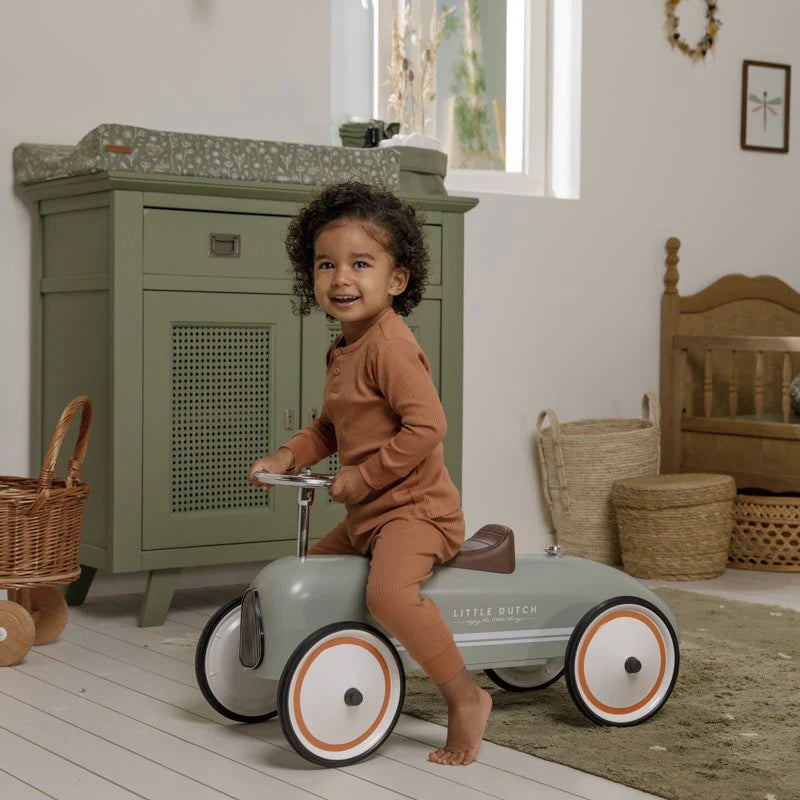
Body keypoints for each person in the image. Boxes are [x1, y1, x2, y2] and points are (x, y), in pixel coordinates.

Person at [248, 181, 491, 766]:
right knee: (308, 577)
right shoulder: (344, 348)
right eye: (326, 264)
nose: (341, 279)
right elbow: (329, 429)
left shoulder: (390, 347)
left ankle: (465, 696)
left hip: (417, 514)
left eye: (361, 264)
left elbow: (428, 426)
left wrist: (363, 478)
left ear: (396, 280)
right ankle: (320, 672)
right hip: (369, 518)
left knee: (387, 595)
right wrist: (286, 457)